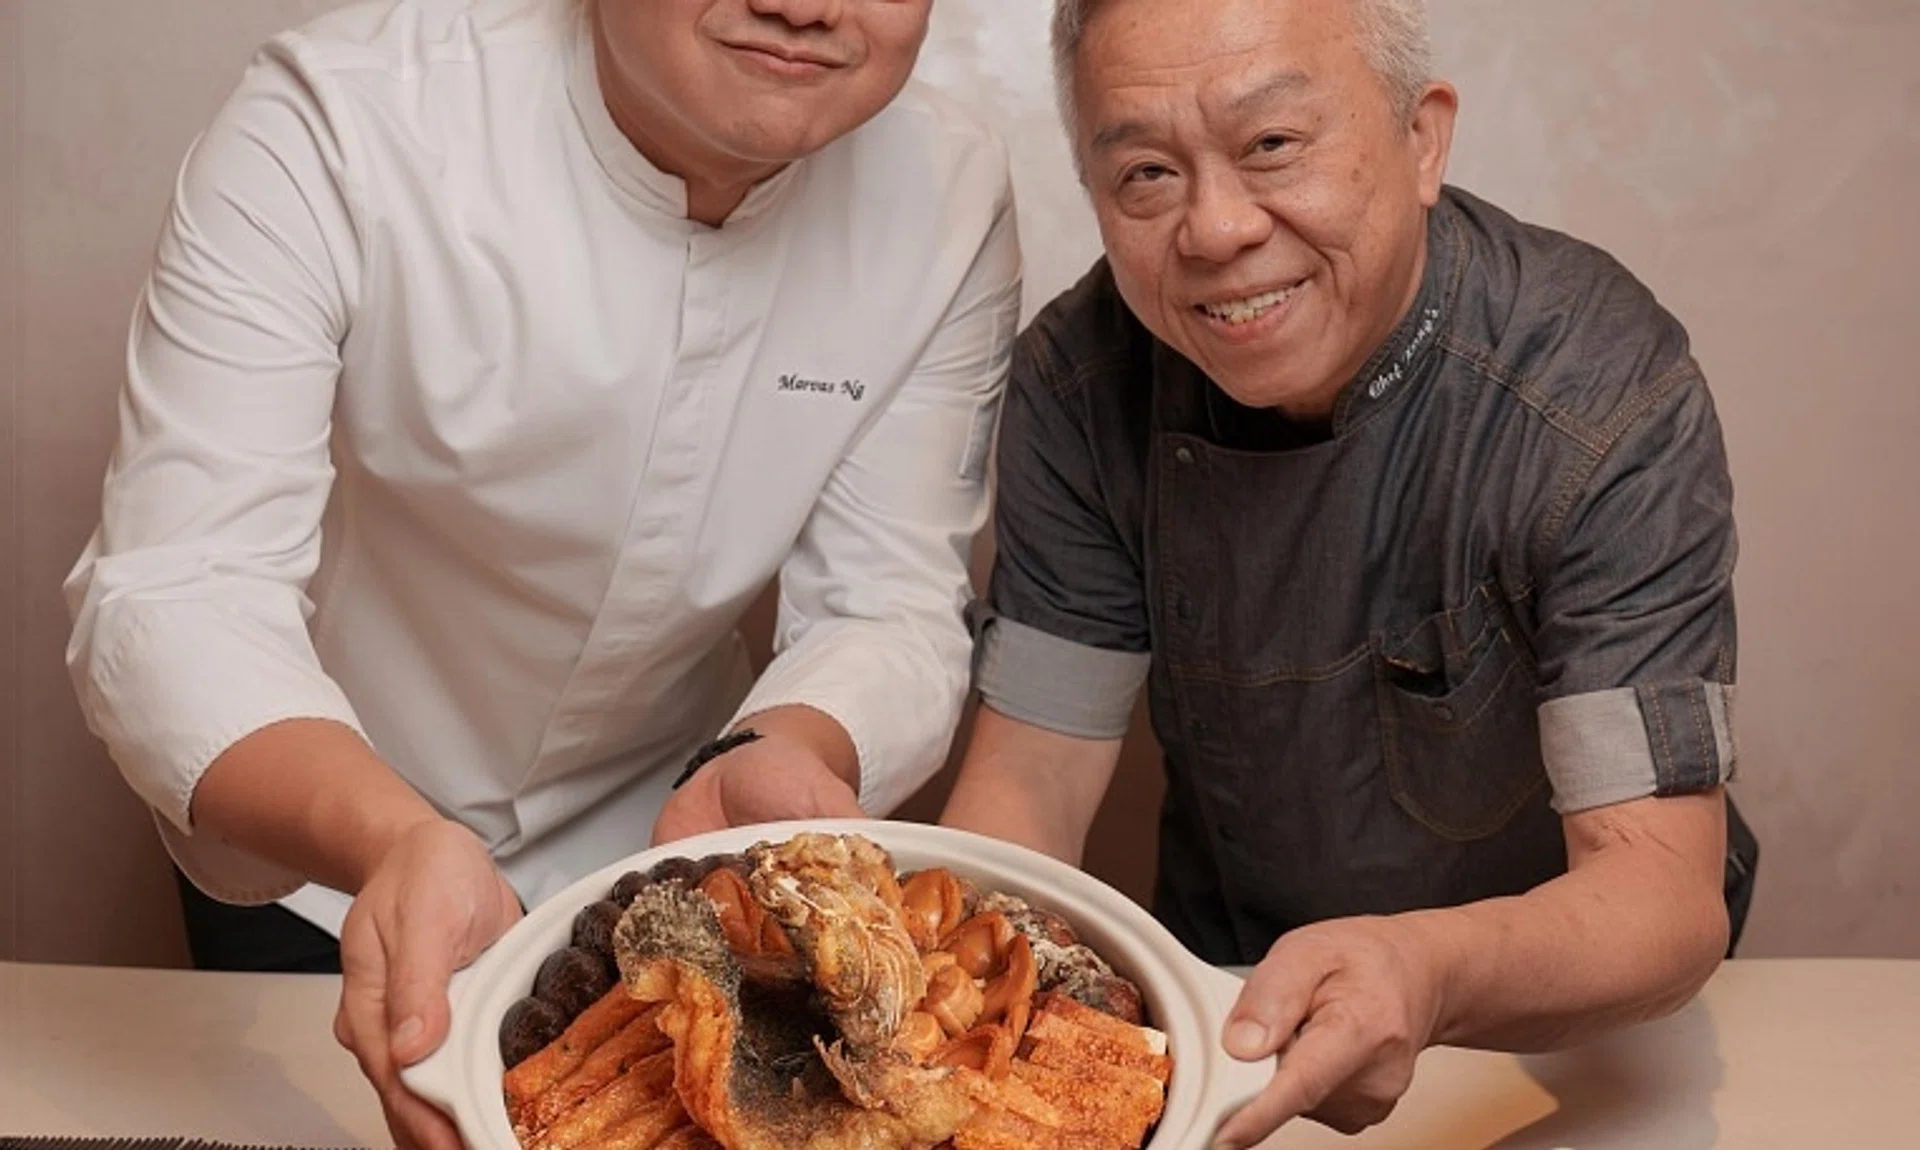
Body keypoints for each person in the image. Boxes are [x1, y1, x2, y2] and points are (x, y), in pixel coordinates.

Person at [63, 0, 1019, 1146]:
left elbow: (892, 599)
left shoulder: (950, 194)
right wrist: (392, 839)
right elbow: (179, 588)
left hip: (668, 868)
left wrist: (782, 750)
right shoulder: (341, 122)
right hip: (329, 832)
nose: (803, 5)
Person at [939, 0, 1757, 1144]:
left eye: (1272, 145)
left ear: (1422, 139)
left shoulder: (1597, 389)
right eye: (1146, 175)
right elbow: (1030, 785)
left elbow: (1662, 896)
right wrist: (940, 1040)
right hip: (1235, 1005)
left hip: (1568, 1026)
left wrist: (1421, 971)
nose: (1217, 228)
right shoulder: (1080, 389)